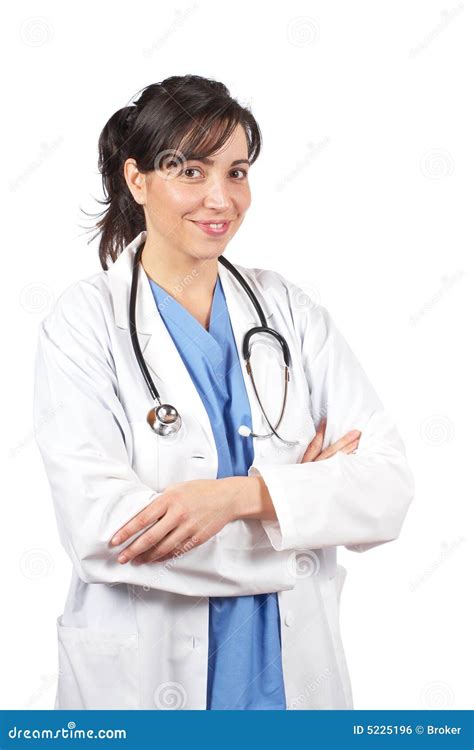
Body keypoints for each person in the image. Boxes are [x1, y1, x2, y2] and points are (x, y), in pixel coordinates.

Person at [33, 74, 415, 710]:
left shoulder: (288, 310)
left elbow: (388, 490)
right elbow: (105, 531)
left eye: (237, 172)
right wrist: (300, 517)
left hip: (292, 685)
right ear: (136, 180)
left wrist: (236, 497)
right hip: (144, 686)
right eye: (189, 170)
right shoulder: (83, 323)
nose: (221, 198)